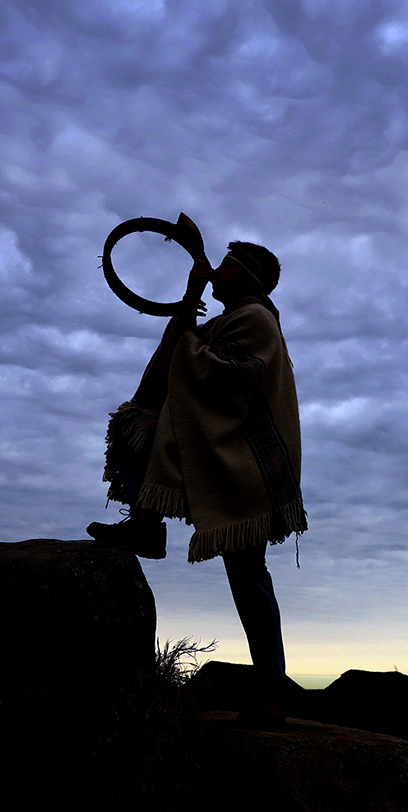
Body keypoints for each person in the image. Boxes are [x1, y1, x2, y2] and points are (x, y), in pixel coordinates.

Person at [88, 241, 307, 718]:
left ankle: (272, 692)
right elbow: (172, 363)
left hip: (241, 464)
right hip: (221, 456)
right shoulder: (231, 319)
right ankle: (146, 525)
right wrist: (188, 304)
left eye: (227, 266)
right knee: (134, 425)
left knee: (249, 575)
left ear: (247, 278)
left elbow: (222, 376)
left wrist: (190, 325)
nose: (216, 270)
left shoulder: (255, 319)